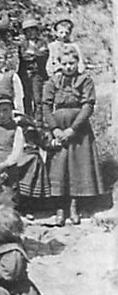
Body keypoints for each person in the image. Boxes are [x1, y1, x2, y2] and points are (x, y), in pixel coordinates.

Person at [42, 47, 104, 226]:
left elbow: (88, 106)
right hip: (59, 127)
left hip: (79, 129)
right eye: (65, 63)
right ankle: (60, 208)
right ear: (59, 64)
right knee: (59, 167)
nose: (69, 67)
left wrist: (73, 128)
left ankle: (74, 206)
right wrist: (54, 129)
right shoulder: (53, 81)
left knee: (78, 166)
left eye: (72, 63)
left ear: (78, 63)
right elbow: (45, 106)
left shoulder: (85, 80)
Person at [18, 18, 49, 120]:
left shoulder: (42, 42)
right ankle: (28, 118)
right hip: (25, 73)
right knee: (26, 97)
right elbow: (24, 56)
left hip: (38, 72)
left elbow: (44, 55)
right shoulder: (23, 44)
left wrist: (33, 53)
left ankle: (39, 120)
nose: (31, 33)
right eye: (28, 31)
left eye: (33, 30)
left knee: (38, 98)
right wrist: (36, 53)